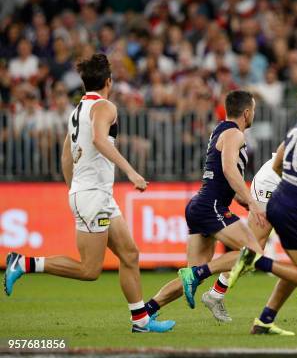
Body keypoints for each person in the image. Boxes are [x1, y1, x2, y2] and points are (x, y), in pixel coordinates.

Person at [4, 53, 175, 333]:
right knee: (90, 270)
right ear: (109, 81)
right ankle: (24, 263)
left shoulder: (77, 110)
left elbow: (64, 156)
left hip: (95, 195)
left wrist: (73, 189)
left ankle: (141, 320)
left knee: (130, 254)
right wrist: (131, 172)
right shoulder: (105, 106)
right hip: (93, 196)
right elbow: (98, 139)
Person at [225, 78, 297, 335]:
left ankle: (265, 320)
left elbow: (277, 165)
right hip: (295, 211)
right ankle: (257, 260)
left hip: (279, 201)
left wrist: (294, 187)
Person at [142, 91, 266, 316]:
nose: (254, 115)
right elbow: (229, 169)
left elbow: (221, 173)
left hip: (201, 204)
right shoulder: (235, 134)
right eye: (254, 110)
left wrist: (242, 199)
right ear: (247, 113)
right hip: (211, 206)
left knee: (191, 275)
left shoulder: (220, 130)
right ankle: (198, 275)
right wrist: (251, 201)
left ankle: (145, 313)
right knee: (253, 252)